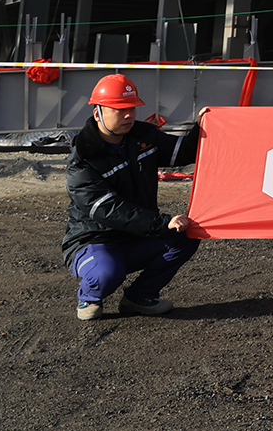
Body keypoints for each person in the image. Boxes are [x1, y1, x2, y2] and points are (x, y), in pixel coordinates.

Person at [63, 74, 201, 320]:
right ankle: (90, 296)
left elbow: (183, 152)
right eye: (119, 110)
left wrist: (203, 126)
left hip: (136, 237)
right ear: (97, 113)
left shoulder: (143, 136)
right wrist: (161, 222)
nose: (128, 115)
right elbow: (108, 210)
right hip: (94, 242)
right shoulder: (83, 158)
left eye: (132, 108)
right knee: (107, 273)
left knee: (187, 235)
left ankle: (139, 297)